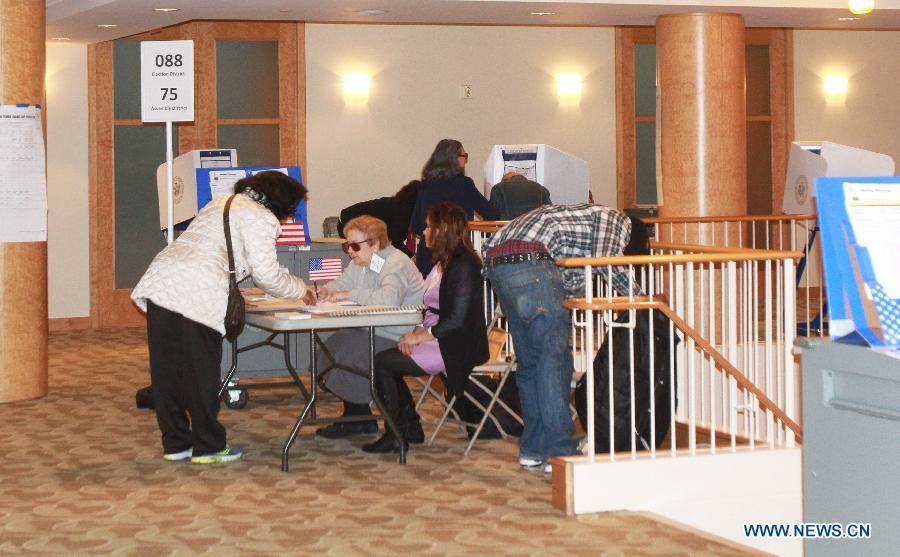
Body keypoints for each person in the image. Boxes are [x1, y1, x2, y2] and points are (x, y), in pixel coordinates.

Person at [132, 171, 314, 464]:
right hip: (198, 291)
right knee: (200, 371)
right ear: (281, 202)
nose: (289, 217)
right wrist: (301, 289)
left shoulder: (221, 201)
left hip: (162, 282)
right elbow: (267, 275)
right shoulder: (260, 217)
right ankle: (209, 446)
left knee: (168, 370)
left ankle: (176, 443)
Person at [481, 204, 636, 473]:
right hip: (532, 263)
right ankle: (559, 450)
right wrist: (641, 297)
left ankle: (533, 449)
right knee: (554, 359)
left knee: (530, 364)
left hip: (498, 264)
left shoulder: (577, 216)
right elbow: (606, 261)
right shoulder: (617, 219)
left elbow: (572, 277)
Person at [362, 203, 489, 453]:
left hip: (455, 344)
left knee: (382, 363)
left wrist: (420, 337)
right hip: (437, 335)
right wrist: (415, 333)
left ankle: (400, 430)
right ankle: (406, 427)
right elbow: (431, 310)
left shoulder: (464, 266)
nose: (424, 230)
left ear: (443, 230)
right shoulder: (442, 263)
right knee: (385, 359)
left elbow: (457, 321)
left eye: (429, 226)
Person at [313, 215, 425, 438]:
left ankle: (361, 418)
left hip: (400, 333)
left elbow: (389, 299)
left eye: (354, 245)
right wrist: (326, 290)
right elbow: (344, 283)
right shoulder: (366, 261)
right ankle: (357, 415)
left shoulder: (395, 262)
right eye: (347, 245)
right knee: (331, 347)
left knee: (349, 352)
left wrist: (349, 294)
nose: (350, 251)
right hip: (375, 327)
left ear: (375, 244)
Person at [410, 139, 499, 276]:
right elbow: (492, 214)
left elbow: (416, 225)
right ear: (454, 159)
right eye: (464, 156)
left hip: (427, 254)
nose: (466, 160)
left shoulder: (424, 186)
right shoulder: (464, 185)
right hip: (456, 253)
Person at [338, 180, 420, 257]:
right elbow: (394, 242)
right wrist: (412, 258)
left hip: (348, 220)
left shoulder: (398, 205)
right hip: (348, 224)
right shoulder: (403, 211)